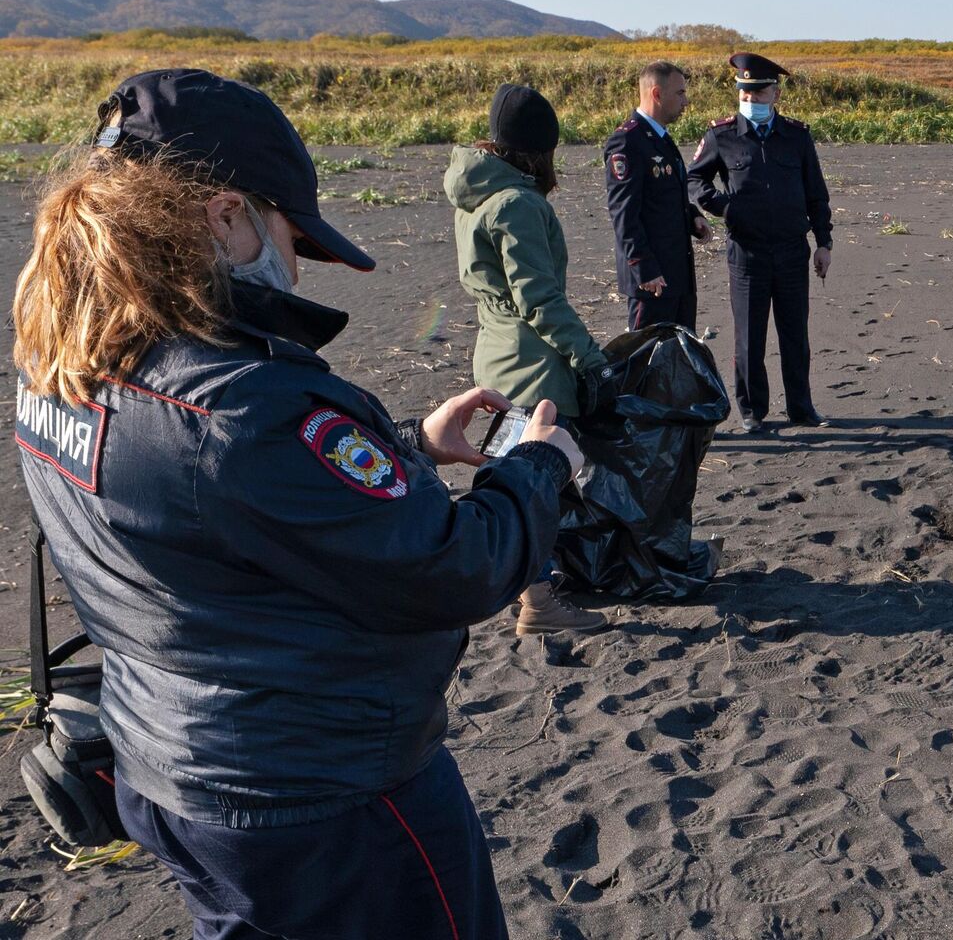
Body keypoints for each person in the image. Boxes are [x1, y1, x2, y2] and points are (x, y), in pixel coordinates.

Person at [13, 68, 584, 939]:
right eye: (288, 229)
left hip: (169, 769)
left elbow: (208, 509)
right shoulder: (245, 407)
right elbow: (457, 567)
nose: (294, 256)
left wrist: (403, 447)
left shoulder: (64, 366)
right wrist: (538, 469)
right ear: (227, 217)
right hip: (318, 797)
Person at [447, 83, 613, 633]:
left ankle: (532, 584)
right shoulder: (517, 202)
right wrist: (590, 358)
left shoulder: (474, 196)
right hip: (533, 363)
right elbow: (538, 299)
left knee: (512, 473)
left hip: (494, 355)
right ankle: (538, 602)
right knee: (537, 479)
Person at [686, 53, 833, 432]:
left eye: (758, 93)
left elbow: (816, 193)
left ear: (775, 94)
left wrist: (824, 242)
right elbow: (694, 179)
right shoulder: (721, 135)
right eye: (745, 93)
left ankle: (801, 408)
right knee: (749, 338)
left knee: (795, 335)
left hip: (790, 250)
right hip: (746, 253)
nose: (751, 100)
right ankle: (753, 411)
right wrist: (722, 207)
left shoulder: (797, 136)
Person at [605, 60, 712, 330]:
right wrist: (644, 268)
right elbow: (624, 215)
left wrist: (693, 218)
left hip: (676, 275)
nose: (685, 101)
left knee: (678, 359)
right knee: (648, 362)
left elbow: (666, 197)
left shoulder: (660, 137)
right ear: (656, 94)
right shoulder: (628, 141)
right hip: (652, 282)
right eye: (680, 93)